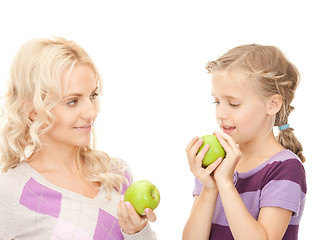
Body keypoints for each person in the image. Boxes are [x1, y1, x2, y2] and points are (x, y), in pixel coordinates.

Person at [0, 37, 157, 239]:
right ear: (33, 110)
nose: (91, 112)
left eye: (92, 96)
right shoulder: (11, 190)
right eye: (73, 101)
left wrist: (137, 232)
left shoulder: (117, 174)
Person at [183, 44, 306, 240]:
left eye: (234, 104)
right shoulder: (217, 161)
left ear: (272, 105)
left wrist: (225, 184)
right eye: (217, 102)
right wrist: (209, 188)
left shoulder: (286, 168)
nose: (221, 114)